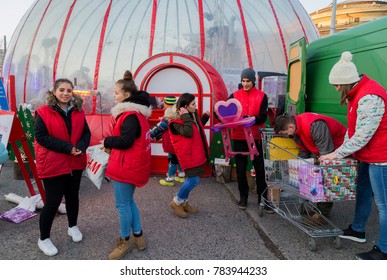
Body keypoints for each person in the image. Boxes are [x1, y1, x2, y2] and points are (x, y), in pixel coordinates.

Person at [320, 51, 387, 260]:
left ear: (347, 82)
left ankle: (384, 250)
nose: (336, 88)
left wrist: (335, 154)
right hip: (368, 155)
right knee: (363, 192)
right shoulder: (355, 94)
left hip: (381, 158)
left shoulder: (370, 97)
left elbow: (363, 136)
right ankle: (358, 230)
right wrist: (343, 153)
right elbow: (352, 130)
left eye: (337, 85)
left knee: (384, 206)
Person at [34, 78, 91, 256]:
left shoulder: (78, 111)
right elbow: (41, 137)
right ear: (54, 92)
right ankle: (43, 238)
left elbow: (86, 132)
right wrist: (68, 148)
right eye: (62, 90)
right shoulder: (43, 112)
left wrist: (81, 147)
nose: (66, 93)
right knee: (52, 202)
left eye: (69, 90)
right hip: (53, 163)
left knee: (73, 197)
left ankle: (72, 226)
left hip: (75, 162)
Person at [101, 70, 152, 260]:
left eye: (116, 92)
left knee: (122, 205)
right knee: (129, 201)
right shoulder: (138, 114)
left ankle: (124, 241)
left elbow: (125, 141)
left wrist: (107, 142)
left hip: (126, 166)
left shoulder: (129, 115)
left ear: (127, 95)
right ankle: (138, 236)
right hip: (133, 165)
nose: (114, 95)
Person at [274, 113, 347, 219]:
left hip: (337, 148)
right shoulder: (296, 129)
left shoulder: (315, 125)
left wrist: (313, 163)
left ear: (290, 126)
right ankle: (317, 206)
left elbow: (326, 152)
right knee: (310, 174)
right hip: (319, 148)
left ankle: (322, 213)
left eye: (286, 133)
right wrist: (299, 167)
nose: (287, 136)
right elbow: (304, 150)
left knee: (324, 177)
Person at [229, 68, 270, 212]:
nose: (245, 84)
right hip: (239, 136)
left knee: (259, 169)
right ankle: (243, 197)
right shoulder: (234, 95)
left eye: (248, 81)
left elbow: (263, 116)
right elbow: (228, 113)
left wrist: (252, 120)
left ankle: (263, 199)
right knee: (240, 169)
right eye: (243, 81)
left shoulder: (262, 96)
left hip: (256, 137)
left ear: (253, 81)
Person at [168, 93, 210, 218]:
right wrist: (186, 115)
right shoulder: (175, 122)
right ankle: (176, 201)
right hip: (188, 156)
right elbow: (188, 132)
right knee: (194, 180)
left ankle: (184, 202)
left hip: (195, 154)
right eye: (193, 104)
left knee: (191, 179)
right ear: (185, 107)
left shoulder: (191, 116)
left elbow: (196, 129)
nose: (196, 106)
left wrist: (204, 118)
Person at [149, 96, 185, 186]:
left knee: (172, 161)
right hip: (179, 142)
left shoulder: (168, 117)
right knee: (179, 158)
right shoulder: (178, 114)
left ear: (165, 104)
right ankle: (181, 176)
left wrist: (151, 134)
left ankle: (170, 179)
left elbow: (160, 128)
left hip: (171, 142)